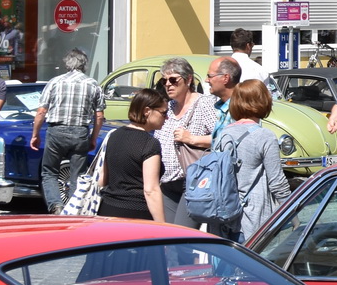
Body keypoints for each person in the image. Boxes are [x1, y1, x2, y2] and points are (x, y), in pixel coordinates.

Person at [208, 79, 290, 242]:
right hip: (252, 221)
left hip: (223, 220)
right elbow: (277, 182)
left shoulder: (222, 134)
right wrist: (294, 213)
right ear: (264, 101)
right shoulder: (264, 136)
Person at [30, 49, 105, 214]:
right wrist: (93, 137)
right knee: (77, 175)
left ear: (67, 63)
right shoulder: (93, 84)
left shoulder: (55, 82)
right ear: (84, 64)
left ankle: (56, 205)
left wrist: (35, 134)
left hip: (57, 130)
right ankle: (74, 210)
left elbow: (41, 111)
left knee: (49, 171)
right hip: (80, 132)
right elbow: (99, 116)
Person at [158, 57, 223, 223]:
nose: (168, 84)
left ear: (188, 80)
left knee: (181, 236)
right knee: (167, 239)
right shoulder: (169, 107)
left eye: (173, 80)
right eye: (164, 80)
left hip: (193, 183)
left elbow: (223, 138)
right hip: (166, 183)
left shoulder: (204, 104)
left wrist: (192, 139)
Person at [98, 90, 167, 224]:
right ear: (147, 111)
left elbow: (103, 179)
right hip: (136, 215)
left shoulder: (114, 135)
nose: (166, 117)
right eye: (163, 113)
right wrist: (163, 225)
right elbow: (150, 190)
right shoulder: (149, 143)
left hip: (107, 211)